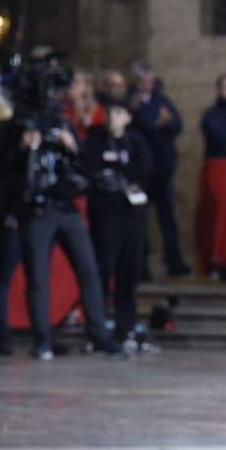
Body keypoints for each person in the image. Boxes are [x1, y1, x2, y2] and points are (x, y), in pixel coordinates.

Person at [10, 119, 121, 361]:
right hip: (38, 211)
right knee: (38, 277)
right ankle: (42, 339)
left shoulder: (64, 128)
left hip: (67, 208)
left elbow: (85, 168)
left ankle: (99, 334)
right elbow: (14, 172)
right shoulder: (20, 128)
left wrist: (73, 147)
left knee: (89, 270)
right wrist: (26, 148)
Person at [83, 103, 154, 350]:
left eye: (118, 114)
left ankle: (126, 326)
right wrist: (111, 174)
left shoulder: (136, 142)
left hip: (131, 214)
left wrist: (118, 172)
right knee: (103, 268)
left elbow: (144, 169)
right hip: (105, 213)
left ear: (128, 117)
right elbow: (90, 168)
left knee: (129, 270)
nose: (112, 118)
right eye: (110, 113)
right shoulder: (96, 140)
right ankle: (98, 327)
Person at [129, 62, 190, 277]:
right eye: (143, 80)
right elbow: (143, 126)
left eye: (150, 80)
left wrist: (161, 123)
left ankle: (174, 261)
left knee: (167, 217)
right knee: (139, 218)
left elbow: (177, 125)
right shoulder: (131, 102)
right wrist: (159, 122)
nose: (147, 83)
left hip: (163, 170)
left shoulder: (161, 99)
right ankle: (141, 266)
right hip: (139, 172)